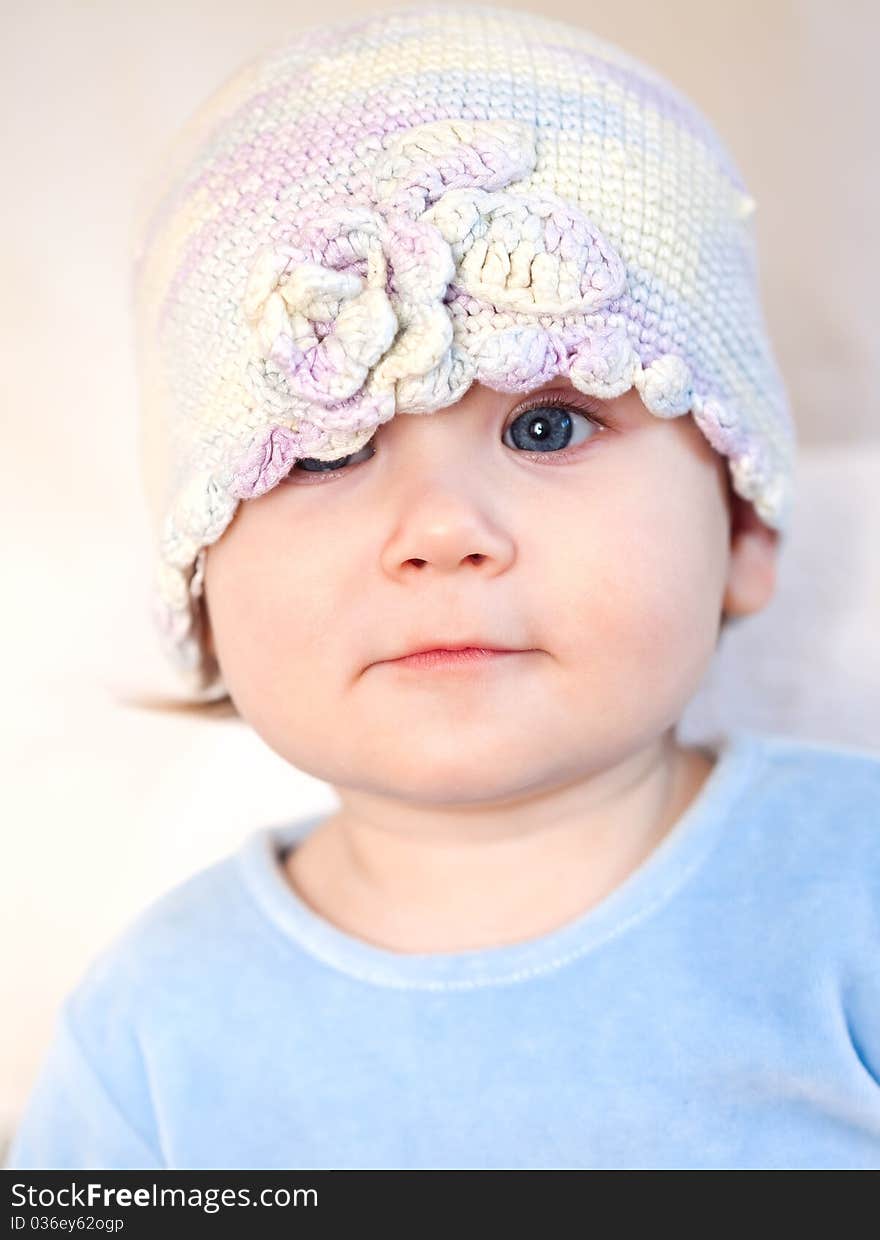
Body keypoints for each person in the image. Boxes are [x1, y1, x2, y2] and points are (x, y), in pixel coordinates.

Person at [6, 3, 879, 1171]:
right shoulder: (152, 1032)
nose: (440, 530)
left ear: (741, 523)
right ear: (200, 578)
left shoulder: (849, 891)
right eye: (320, 452)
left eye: (549, 421)